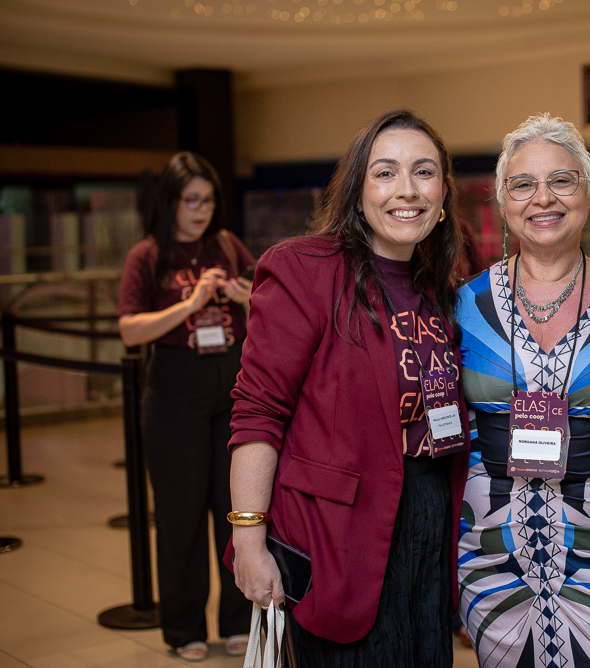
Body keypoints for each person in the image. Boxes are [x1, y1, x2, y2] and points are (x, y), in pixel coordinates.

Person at [227, 109, 470, 667]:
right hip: (339, 536)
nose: (406, 190)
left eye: (424, 172)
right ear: (357, 190)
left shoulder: (441, 289)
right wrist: (248, 538)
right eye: (385, 173)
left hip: (428, 522)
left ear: (443, 194)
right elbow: (258, 412)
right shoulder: (304, 271)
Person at [456, 113, 590, 668]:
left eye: (562, 180)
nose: (543, 198)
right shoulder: (465, 305)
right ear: (503, 200)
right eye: (523, 184)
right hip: (486, 537)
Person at [117, 151, 255, 661]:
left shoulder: (225, 244)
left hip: (231, 387)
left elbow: (270, 299)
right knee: (180, 516)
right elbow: (130, 328)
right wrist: (190, 305)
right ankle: (183, 627)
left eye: (208, 199)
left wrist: (245, 297)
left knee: (236, 509)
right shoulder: (148, 255)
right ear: (169, 203)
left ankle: (239, 619)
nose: (200, 210)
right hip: (174, 392)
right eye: (189, 200)